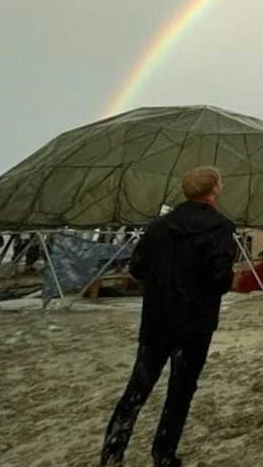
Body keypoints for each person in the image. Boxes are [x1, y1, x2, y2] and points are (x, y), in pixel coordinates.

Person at [100, 166, 236, 467]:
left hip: (157, 318)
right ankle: (163, 455)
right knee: (181, 390)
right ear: (213, 189)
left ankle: (112, 450)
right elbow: (220, 277)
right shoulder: (220, 228)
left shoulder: (160, 226)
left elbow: (137, 267)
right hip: (195, 322)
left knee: (138, 386)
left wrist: (164, 279)